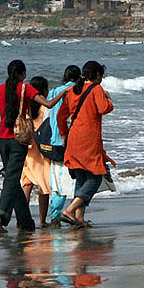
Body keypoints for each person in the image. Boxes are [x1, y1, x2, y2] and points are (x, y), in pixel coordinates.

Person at [0, 59, 69, 234]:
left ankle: (25, 222)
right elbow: (48, 104)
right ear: (23, 74)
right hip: (19, 141)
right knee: (11, 179)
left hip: (2, 141)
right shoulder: (26, 89)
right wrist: (63, 93)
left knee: (11, 178)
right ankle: (0, 217)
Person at [57, 61, 115, 229]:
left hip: (73, 137)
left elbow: (61, 116)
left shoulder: (73, 89)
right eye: (101, 76)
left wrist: (63, 135)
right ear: (97, 75)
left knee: (81, 176)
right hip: (89, 138)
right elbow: (104, 108)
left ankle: (79, 218)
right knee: (96, 176)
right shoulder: (96, 89)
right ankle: (70, 210)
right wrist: (109, 100)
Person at [45, 65, 81, 228]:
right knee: (79, 179)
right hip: (72, 140)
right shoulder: (79, 90)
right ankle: (76, 214)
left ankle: (55, 216)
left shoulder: (54, 91)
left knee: (57, 182)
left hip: (54, 140)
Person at [20, 76, 53, 227]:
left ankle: (23, 218)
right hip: (41, 149)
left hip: (27, 149)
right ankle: (42, 220)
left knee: (27, 184)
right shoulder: (45, 107)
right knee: (43, 186)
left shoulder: (25, 106)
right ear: (44, 90)